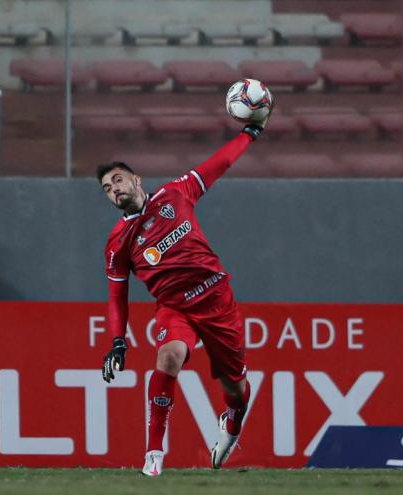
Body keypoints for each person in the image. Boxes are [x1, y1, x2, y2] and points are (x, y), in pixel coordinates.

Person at [97, 103, 272, 476]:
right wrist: (117, 342)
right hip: (175, 308)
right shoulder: (117, 243)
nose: (114, 189)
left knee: (235, 387)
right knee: (169, 357)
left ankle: (232, 423)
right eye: (107, 188)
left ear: (136, 180)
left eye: (118, 180)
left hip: (216, 298)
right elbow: (116, 297)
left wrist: (250, 132)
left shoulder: (176, 193)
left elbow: (219, 164)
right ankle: (154, 454)